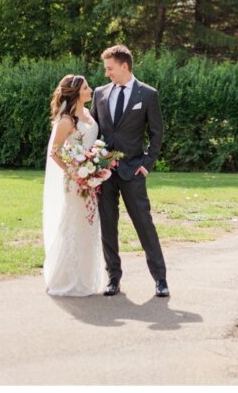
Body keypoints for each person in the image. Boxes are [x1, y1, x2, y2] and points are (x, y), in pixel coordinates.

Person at [91, 45, 169, 298]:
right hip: (104, 173)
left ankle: (160, 280)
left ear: (124, 66)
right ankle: (113, 278)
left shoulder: (147, 94)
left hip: (133, 170)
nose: (107, 74)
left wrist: (147, 163)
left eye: (110, 68)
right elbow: (94, 131)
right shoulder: (100, 94)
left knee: (144, 224)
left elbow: (157, 132)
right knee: (108, 225)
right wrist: (91, 163)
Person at [42, 74, 106, 296]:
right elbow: (55, 152)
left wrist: (95, 166)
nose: (90, 90)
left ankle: (86, 278)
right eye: (87, 88)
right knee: (73, 225)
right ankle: (66, 278)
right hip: (74, 182)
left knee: (89, 226)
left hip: (91, 180)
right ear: (77, 92)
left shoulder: (87, 114)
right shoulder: (67, 121)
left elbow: (91, 146)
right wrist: (76, 173)